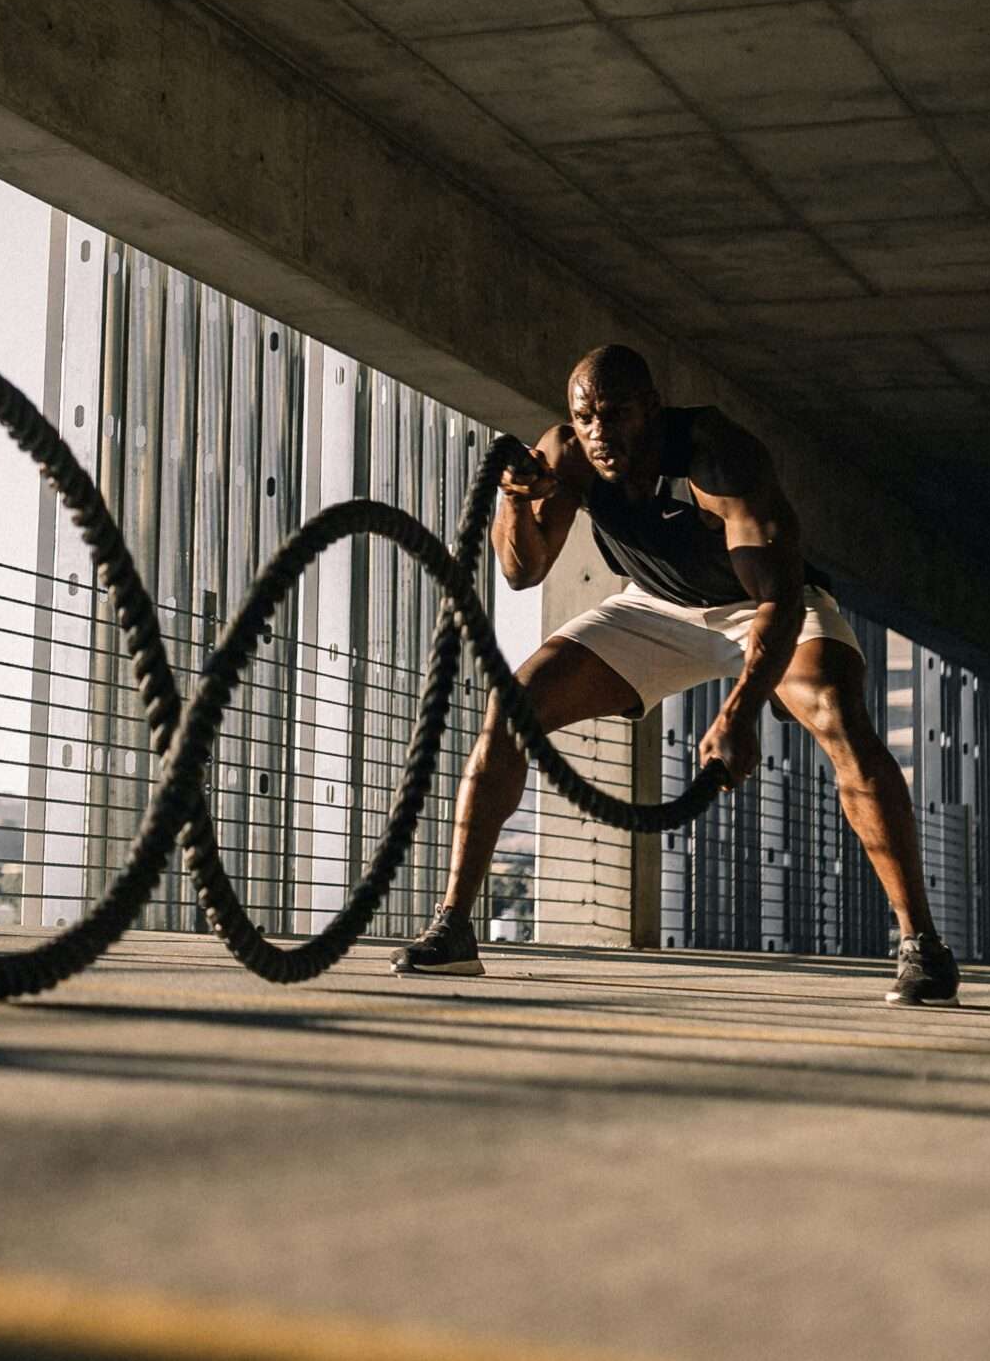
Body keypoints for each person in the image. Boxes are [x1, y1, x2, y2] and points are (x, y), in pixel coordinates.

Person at [393, 344, 959, 1005]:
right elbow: (523, 572)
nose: (600, 433)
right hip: (655, 607)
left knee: (839, 713)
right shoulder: (570, 453)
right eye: (586, 417)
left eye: (616, 414)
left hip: (764, 607)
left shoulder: (720, 457)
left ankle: (921, 944)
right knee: (512, 708)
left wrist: (740, 711)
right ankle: (455, 927)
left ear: (652, 411)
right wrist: (516, 502)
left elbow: (777, 597)